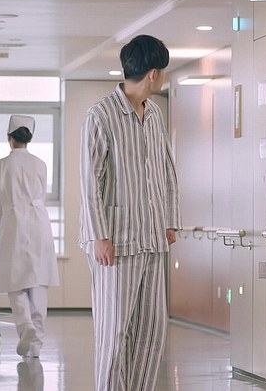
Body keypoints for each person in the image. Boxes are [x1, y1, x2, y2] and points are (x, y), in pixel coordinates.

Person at [79, 34, 181, 391]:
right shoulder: (101, 115)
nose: (164, 77)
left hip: (151, 238)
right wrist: (99, 236)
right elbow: (89, 181)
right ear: (153, 73)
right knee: (114, 332)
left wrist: (169, 221)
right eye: (163, 71)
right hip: (116, 243)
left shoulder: (154, 113)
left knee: (152, 331)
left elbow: (165, 170)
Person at [0, 115, 60, 358]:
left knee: (15, 282)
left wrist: (1, 231)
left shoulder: (0, 166)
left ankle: (25, 325)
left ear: (8, 138)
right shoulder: (40, 164)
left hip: (13, 224)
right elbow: (42, 198)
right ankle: (36, 346)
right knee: (38, 284)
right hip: (40, 224)